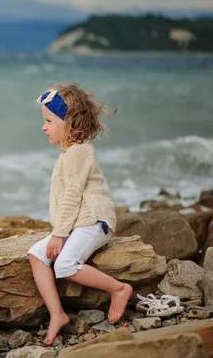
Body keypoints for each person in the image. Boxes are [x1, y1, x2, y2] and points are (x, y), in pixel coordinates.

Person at [27, 84, 133, 346]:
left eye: (49, 121)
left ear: (70, 122)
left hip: (94, 222)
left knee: (64, 265)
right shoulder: (70, 152)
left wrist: (58, 235)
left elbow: (73, 196)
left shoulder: (78, 152)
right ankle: (57, 314)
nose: (44, 127)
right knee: (36, 255)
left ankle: (119, 289)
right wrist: (59, 233)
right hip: (78, 223)